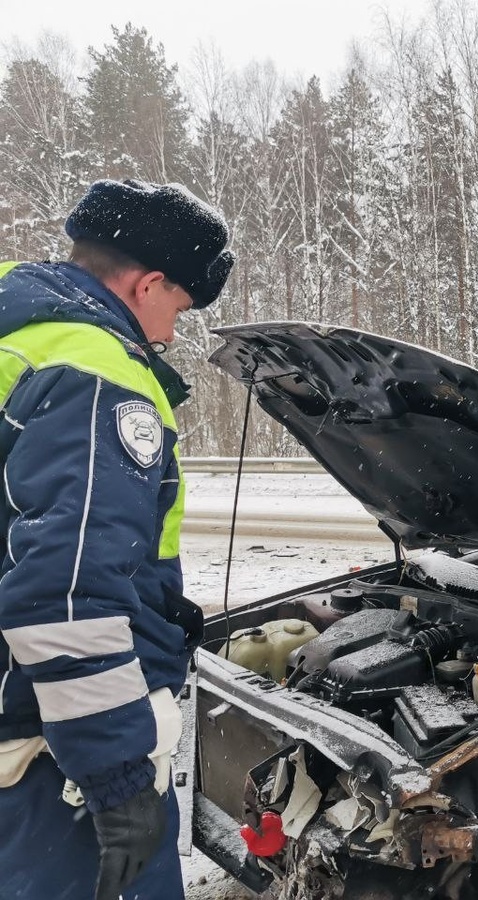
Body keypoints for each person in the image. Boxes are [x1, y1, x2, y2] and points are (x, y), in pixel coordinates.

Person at [0, 180, 234, 900]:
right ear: (149, 282)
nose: (166, 334)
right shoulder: (97, 373)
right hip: (48, 749)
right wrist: (117, 774)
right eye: (178, 310)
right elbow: (66, 595)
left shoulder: (21, 336)